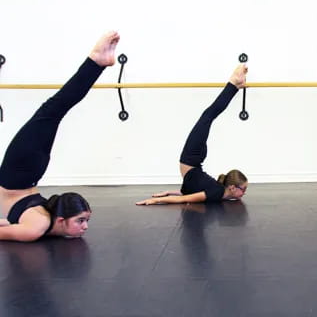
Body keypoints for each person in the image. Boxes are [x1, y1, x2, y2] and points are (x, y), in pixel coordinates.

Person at [0, 31, 120, 241]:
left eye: (82, 220)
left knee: (53, 110)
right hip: (26, 176)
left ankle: (96, 62)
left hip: (19, 174)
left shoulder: (35, 229)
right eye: (82, 220)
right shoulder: (39, 224)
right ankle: (96, 62)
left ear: (61, 219)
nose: (85, 227)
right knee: (53, 111)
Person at [136, 65, 248, 206]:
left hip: (193, 159)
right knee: (208, 115)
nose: (245, 193)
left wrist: (165, 195)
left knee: (208, 116)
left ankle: (235, 85)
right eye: (243, 189)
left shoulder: (217, 193)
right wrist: (158, 199)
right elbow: (188, 197)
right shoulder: (216, 192)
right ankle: (234, 83)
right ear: (232, 187)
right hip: (192, 159)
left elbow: (188, 195)